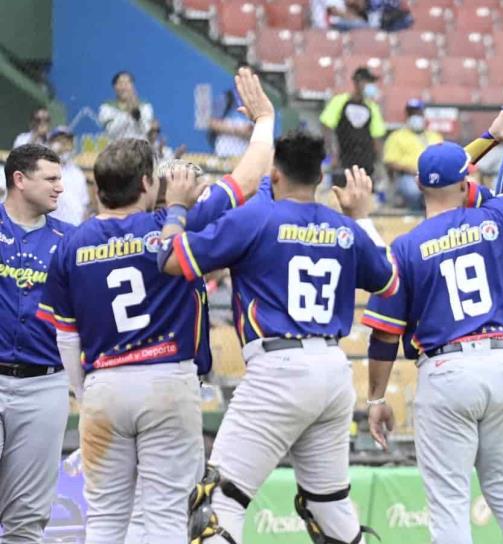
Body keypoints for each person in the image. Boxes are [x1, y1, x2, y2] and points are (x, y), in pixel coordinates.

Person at [36, 66, 276, 543]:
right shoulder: (171, 224)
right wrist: (265, 119)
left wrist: (86, 396)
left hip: (103, 385)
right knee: (166, 514)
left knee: (103, 519)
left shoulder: (69, 245)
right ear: (148, 183)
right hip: (167, 379)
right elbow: (249, 176)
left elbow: (65, 336)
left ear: (99, 187)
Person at [161, 134, 398, 543]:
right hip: (333, 370)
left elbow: (171, 259)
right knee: (329, 506)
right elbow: (389, 282)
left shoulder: (255, 219)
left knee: (218, 502)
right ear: (321, 176)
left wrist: (176, 207)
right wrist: (361, 216)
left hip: (278, 369)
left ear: (275, 173)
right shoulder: (344, 228)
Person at [362, 87, 503, 544]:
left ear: (421, 187)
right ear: (467, 183)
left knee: (449, 505)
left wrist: (374, 398)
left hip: (446, 370)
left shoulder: (405, 247)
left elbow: (384, 336)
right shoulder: (494, 218)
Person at [0, 144, 69, 543]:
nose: (60, 188)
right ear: (20, 180)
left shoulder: (71, 239)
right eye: (52, 179)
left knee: (27, 520)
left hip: (45, 385)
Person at [320, 67, 386, 188]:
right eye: (367, 82)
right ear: (357, 82)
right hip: (343, 159)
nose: (370, 86)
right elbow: (326, 126)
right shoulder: (340, 101)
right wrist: (333, 153)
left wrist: (379, 165)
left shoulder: (372, 107)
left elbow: (377, 136)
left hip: (366, 162)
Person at [383, 98, 443, 210]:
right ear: (406, 116)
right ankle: (416, 213)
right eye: (411, 114)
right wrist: (410, 169)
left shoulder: (434, 136)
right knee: (413, 190)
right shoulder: (396, 136)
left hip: (434, 174)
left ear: (423, 115)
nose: (415, 117)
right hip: (408, 175)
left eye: (418, 113)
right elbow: (390, 162)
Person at [47, 125, 91, 225]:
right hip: (53, 229)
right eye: (60, 142)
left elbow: (85, 205)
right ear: (51, 144)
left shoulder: (78, 173)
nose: (64, 147)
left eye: (67, 142)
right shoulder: (45, 171)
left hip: (76, 229)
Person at [99, 71, 154, 141]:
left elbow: (146, 130)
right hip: (117, 149)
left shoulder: (144, 106)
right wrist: (127, 114)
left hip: (139, 148)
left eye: (127, 83)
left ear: (133, 86)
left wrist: (136, 114)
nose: (124, 87)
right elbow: (110, 132)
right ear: (114, 87)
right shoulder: (107, 107)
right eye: (120, 83)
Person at [209, 89, 253, 158]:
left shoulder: (259, 101)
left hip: (246, 158)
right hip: (223, 156)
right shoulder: (227, 97)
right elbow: (211, 123)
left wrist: (249, 132)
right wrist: (237, 130)